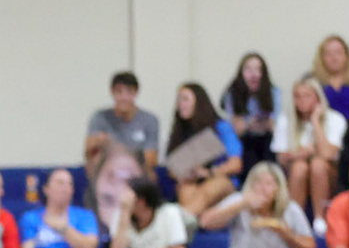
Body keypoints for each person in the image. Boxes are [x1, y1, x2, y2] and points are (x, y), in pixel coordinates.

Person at [274, 76, 346, 224]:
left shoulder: (335, 119)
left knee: (317, 164)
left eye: (307, 96)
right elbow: (281, 158)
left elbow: (329, 154)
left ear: (318, 98)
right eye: (297, 96)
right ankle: (294, 220)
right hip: (295, 173)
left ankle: (320, 218)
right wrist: (304, 153)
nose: (302, 100)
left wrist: (315, 122)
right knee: (300, 167)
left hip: (328, 174)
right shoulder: (285, 120)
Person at [165, 83, 244, 216]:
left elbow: (235, 164)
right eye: (179, 100)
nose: (181, 104)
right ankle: (196, 222)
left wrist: (209, 173)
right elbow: (172, 169)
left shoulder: (221, 127)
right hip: (192, 181)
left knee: (210, 188)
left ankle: (180, 223)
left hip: (220, 179)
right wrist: (186, 173)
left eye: (185, 99)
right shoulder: (179, 132)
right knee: (185, 190)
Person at [85, 70, 162, 176]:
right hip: (108, 173)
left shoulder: (150, 120)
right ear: (112, 92)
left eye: (129, 92)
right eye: (119, 92)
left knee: (150, 174)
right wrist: (99, 141)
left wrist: (114, 148)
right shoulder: (100, 117)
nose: (124, 97)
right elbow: (89, 151)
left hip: (137, 174)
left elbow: (150, 158)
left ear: (136, 93)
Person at [219, 53, 283, 170]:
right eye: (248, 69)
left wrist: (260, 123)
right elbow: (235, 130)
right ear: (241, 73)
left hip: (267, 140)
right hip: (243, 141)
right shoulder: (232, 94)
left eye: (258, 69)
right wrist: (251, 122)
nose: (253, 74)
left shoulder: (273, 92)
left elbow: (275, 127)